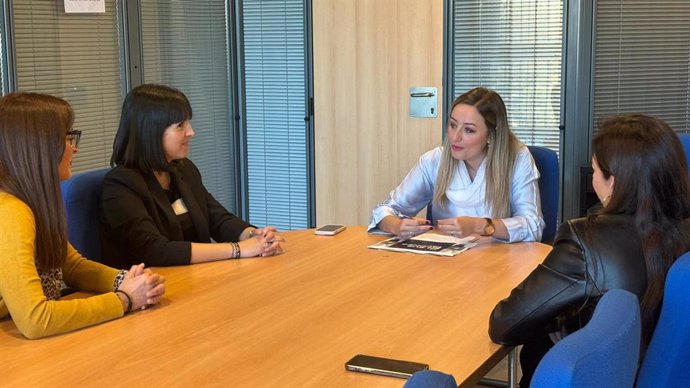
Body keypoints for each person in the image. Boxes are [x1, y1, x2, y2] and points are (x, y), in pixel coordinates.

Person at [489, 114, 690, 387]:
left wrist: (559, 319)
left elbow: (505, 323)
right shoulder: (681, 229)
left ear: (614, 182)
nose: (591, 178)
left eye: (594, 170)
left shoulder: (587, 240)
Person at [0, 92, 166, 339]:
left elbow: (71, 267)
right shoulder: (10, 211)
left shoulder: (30, 201)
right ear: (38, 148)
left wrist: (126, 280)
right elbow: (36, 319)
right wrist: (124, 300)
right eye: (67, 138)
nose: (74, 148)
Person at [100, 84, 284, 269]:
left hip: (196, 277)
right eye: (180, 125)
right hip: (152, 288)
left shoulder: (184, 170)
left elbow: (218, 220)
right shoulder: (120, 185)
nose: (191, 132)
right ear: (151, 131)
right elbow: (155, 250)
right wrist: (238, 249)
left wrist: (255, 236)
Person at [368, 87, 544, 243]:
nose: (455, 137)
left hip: (499, 263)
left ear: (491, 136)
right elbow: (385, 210)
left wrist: (479, 225)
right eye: (453, 125)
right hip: (447, 264)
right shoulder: (434, 160)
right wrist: (397, 226)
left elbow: (533, 225)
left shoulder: (517, 159)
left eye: (469, 130)